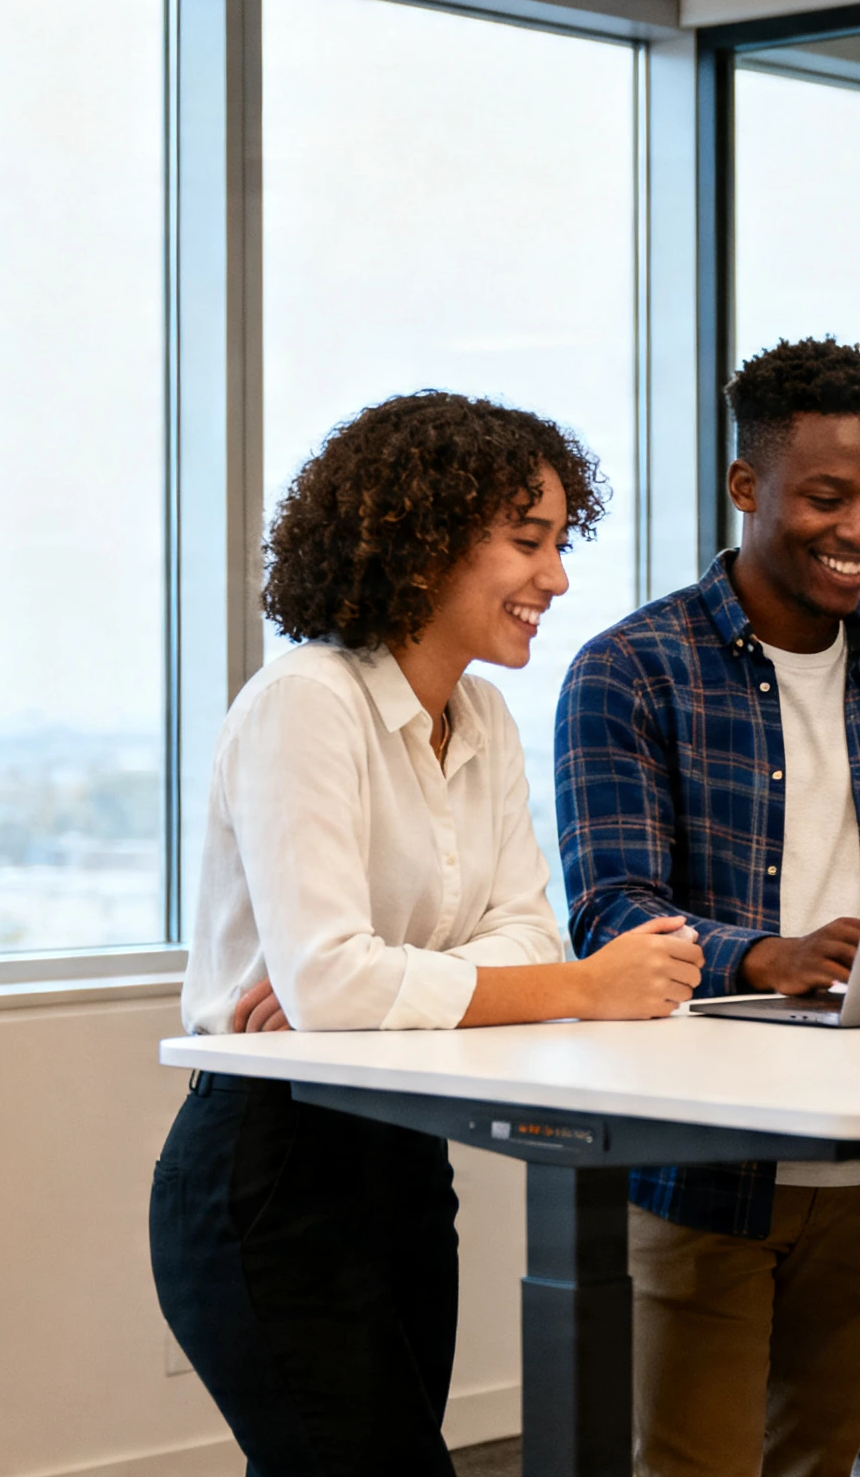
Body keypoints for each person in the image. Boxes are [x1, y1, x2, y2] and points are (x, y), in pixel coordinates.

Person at [149, 391, 705, 1477]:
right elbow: (339, 984)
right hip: (268, 1173)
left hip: (400, 1158)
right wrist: (578, 989)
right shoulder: (306, 701)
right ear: (422, 542)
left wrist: (375, 982)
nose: (556, 577)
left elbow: (516, 934)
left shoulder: (483, 718)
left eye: (557, 542)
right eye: (526, 541)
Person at [555, 337, 860, 1477]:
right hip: (707, 1163)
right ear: (747, 488)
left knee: (821, 1467)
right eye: (828, 497)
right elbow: (608, 912)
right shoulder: (632, 669)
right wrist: (765, 957)